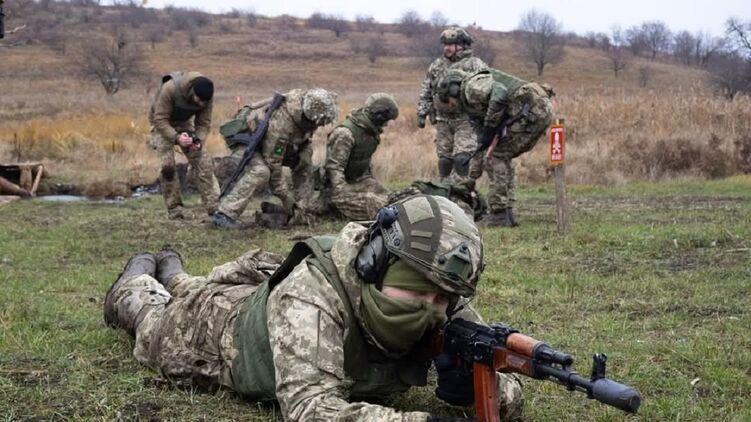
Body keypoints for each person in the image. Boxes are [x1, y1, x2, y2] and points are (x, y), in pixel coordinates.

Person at [103, 194, 524, 421]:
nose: (432, 310)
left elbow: (506, 388)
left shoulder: (444, 292)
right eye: (417, 293)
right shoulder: (312, 294)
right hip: (214, 333)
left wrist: (477, 386)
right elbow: (310, 408)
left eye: (443, 299)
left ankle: (174, 270)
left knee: (191, 284)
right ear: (375, 265)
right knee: (152, 313)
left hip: (267, 299)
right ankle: (142, 273)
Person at [434, 68, 555, 227]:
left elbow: (500, 92)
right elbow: (481, 146)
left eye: (449, 101)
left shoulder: (471, 87)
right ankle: (507, 213)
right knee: (502, 156)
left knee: (495, 157)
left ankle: (499, 214)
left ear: (454, 90)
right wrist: (470, 179)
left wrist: (491, 124)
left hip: (532, 109)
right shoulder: (472, 106)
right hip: (537, 110)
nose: (451, 105)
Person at [211, 88, 338, 229]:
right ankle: (224, 214)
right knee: (261, 171)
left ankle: (302, 209)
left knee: (304, 163)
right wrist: (286, 197)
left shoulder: (306, 113)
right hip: (248, 143)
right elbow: (273, 164)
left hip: (274, 145)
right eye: (320, 122)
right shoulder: (282, 123)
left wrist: (304, 158)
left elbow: (303, 142)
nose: (320, 125)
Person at [416, 27, 488, 183]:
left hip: (466, 119)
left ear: (461, 45)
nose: (446, 48)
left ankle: (461, 188)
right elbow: (427, 89)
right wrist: (422, 112)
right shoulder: (437, 65)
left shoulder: (475, 65)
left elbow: (486, 89)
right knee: (444, 159)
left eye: (450, 44)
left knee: (462, 158)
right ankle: (444, 187)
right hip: (443, 119)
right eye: (445, 45)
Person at [149, 71, 221, 220]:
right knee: (167, 167)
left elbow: (203, 123)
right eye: (198, 100)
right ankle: (175, 209)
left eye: (204, 102)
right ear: (192, 91)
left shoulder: (206, 97)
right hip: (162, 125)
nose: (201, 104)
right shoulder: (170, 89)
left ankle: (214, 208)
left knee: (203, 161)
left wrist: (198, 141)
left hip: (184, 124)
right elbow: (160, 119)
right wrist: (176, 138)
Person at [315, 92, 399, 220]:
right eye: (385, 120)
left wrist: (370, 184)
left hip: (358, 181)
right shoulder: (345, 134)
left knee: (389, 198)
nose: (386, 124)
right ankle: (330, 209)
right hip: (336, 189)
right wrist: (343, 193)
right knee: (374, 204)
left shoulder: (371, 132)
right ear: (378, 115)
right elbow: (334, 169)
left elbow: (364, 163)